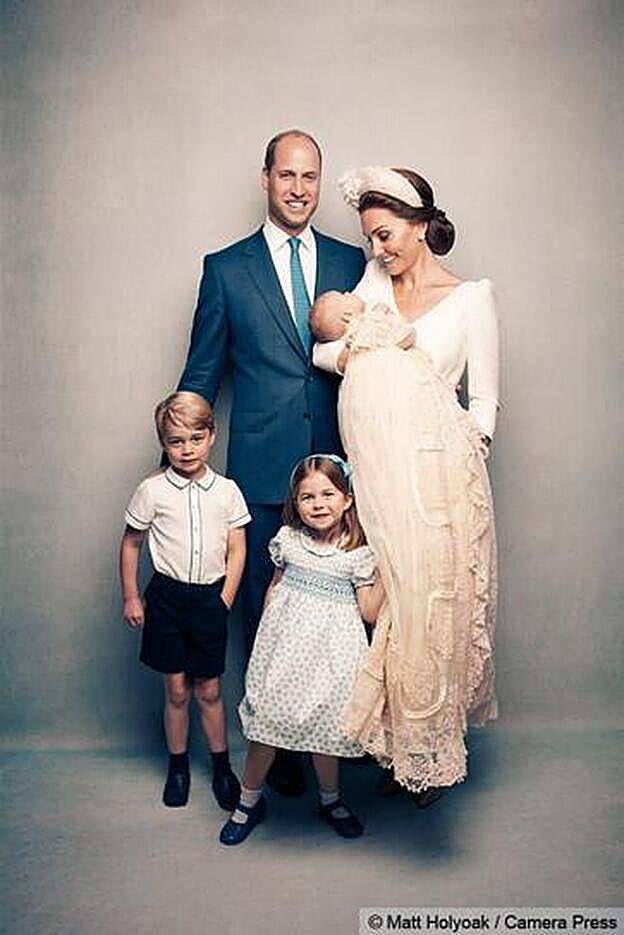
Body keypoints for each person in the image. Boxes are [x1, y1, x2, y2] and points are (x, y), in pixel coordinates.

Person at [176, 130, 366, 795]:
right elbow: (201, 374)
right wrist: (176, 470)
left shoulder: (352, 261)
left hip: (340, 474)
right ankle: (278, 750)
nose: (299, 188)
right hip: (259, 476)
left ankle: (343, 745)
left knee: (345, 613)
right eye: (287, 175)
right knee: (264, 612)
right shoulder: (226, 269)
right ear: (265, 178)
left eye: (311, 177)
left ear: (320, 181)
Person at [313, 166, 499, 801]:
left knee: (431, 607)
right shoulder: (373, 286)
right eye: (370, 238)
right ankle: (398, 745)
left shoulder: (472, 297)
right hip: (373, 474)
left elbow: (485, 405)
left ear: (420, 227)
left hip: (436, 479)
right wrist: (370, 345)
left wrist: (458, 461)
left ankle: (427, 752)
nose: (378, 250)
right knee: (386, 601)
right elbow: (323, 350)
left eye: (387, 235)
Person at [218, 455, 385, 845]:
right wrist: (265, 644)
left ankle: (331, 800)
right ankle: (248, 802)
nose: (318, 504)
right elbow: (274, 590)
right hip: (284, 655)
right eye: (307, 497)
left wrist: (393, 574)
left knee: (324, 733)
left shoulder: (357, 554)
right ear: (296, 503)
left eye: (328, 494)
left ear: (347, 500)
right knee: (268, 730)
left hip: (332, 660)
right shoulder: (288, 541)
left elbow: (370, 612)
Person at [120, 391, 250, 810]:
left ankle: (222, 767)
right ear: (163, 443)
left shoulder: (227, 491)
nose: (187, 448)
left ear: (211, 436)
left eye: (195, 438)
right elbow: (131, 544)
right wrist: (131, 596)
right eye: (176, 441)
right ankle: (177, 766)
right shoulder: (152, 490)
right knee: (176, 688)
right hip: (166, 600)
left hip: (209, 599)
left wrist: (225, 599)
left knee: (208, 688)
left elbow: (238, 548)